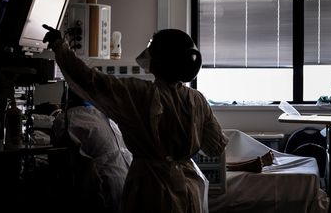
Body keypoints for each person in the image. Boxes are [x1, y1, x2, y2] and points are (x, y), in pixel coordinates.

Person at [43, 25, 229, 213]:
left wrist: (60, 45)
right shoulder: (197, 100)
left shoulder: (140, 95)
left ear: (160, 58)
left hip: (152, 190)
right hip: (191, 191)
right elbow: (214, 147)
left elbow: (89, 79)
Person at [52, 87, 132, 213]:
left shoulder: (65, 119)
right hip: (126, 180)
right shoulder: (105, 114)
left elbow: (58, 156)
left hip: (104, 184)